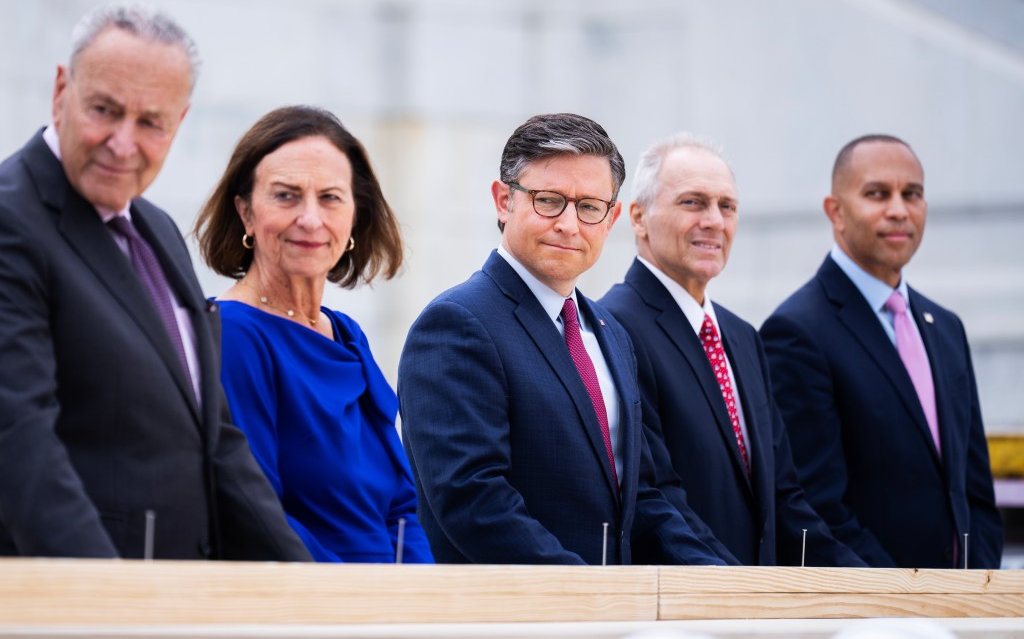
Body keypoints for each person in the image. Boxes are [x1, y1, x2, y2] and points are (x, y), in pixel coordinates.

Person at [0, 3, 310, 560]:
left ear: (179, 123)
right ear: (60, 91)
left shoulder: (157, 230)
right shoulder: (10, 221)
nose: (123, 143)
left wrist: (304, 588)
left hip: (175, 595)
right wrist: (111, 603)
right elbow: (18, 442)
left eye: (150, 122)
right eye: (105, 110)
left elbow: (216, 441)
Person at [398, 113, 728, 565]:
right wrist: (591, 595)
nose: (569, 225)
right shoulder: (456, 324)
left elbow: (643, 497)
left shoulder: (611, 337)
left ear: (611, 219)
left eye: (589, 207)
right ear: (502, 201)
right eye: (548, 201)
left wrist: (727, 580)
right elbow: (473, 500)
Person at [600, 134, 866, 567]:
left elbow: (783, 495)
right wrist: (735, 588)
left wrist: (869, 585)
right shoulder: (615, 327)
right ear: (639, 218)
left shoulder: (742, 337)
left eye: (728, 206)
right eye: (693, 202)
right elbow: (655, 496)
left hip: (754, 611)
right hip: (684, 613)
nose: (714, 221)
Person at [194, 105, 433, 563]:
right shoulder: (233, 335)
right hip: (307, 608)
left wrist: (417, 601)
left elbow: (402, 506)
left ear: (354, 218)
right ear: (245, 212)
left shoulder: (347, 336)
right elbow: (256, 513)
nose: (310, 218)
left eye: (330, 197)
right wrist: (358, 606)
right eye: (286, 196)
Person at [760, 134, 1003, 568]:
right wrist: (904, 599)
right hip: (876, 613)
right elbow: (816, 505)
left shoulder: (945, 328)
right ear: (835, 211)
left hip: (965, 611)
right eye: (877, 194)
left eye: (912, 194)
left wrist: (976, 581)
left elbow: (975, 491)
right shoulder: (797, 331)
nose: (898, 209)